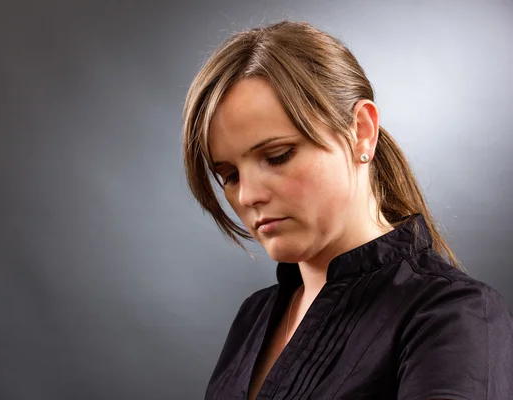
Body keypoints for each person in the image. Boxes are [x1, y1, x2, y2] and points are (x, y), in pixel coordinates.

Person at [182, 20, 513, 400]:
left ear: (362, 130)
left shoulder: (454, 318)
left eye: (277, 156)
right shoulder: (253, 316)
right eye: (229, 175)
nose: (248, 196)